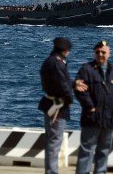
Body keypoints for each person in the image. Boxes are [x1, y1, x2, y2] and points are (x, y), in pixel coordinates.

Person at [74, 40, 113, 174]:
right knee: (86, 151)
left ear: (109, 53)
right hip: (91, 117)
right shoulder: (86, 70)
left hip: (109, 118)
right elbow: (80, 91)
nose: (100, 55)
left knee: (104, 151)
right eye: (97, 52)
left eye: (103, 52)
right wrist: (90, 107)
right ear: (94, 53)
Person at [38, 37, 75, 174]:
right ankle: (51, 171)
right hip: (57, 106)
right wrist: (69, 100)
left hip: (49, 103)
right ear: (65, 51)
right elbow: (63, 85)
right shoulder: (58, 63)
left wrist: (74, 84)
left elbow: (60, 81)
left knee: (51, 140)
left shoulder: (49, 61)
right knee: (54, 142)